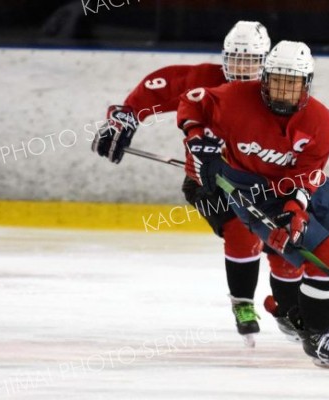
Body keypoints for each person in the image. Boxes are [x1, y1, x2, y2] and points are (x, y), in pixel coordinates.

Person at [177, 41, 329, 368]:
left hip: (310, 188)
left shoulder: (322, 123)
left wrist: (295, 208)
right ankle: (317, 336)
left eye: (292, 83)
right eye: (276, 80)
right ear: (264, 78)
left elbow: (308, 176)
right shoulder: (235, 98)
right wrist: (196, 137)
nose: (282, 90)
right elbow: (190, 102)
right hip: (256, 197)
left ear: (306, 84)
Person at [91, 21, 278, 346]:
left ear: (265, 62)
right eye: (235, 59)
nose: (242, 68)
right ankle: (243, 303)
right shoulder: (204, 81)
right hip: (209, 185)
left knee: (284, 239)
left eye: (250, 61)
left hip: (258, 184)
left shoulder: (276, 93)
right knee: (241, 230)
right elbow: (157, 86)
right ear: (224, 57)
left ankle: (288, 308)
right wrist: (125, 117)